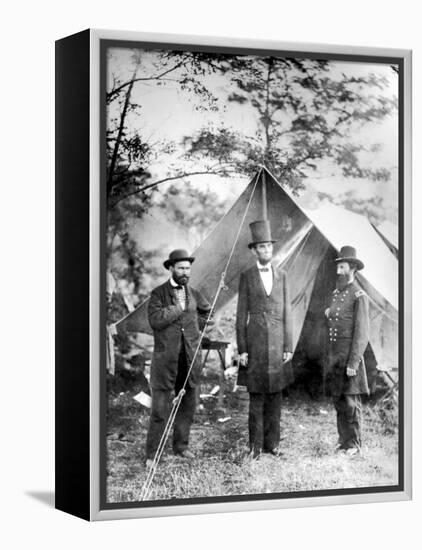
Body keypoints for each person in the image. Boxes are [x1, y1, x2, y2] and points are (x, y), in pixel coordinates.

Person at [145, 249, 212, 467]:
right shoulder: (158, 294)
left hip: (189, 358)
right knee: (160, 409)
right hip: (166, 361)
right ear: (171, 268)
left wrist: (197, 327)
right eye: (181, 268)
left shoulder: (193, 292)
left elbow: (204, 313)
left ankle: (181, 446)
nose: (185, 272)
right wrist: (178, 308)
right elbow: (155, 320)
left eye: (188, 268)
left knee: (188, 404)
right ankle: (153, 454)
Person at [236, 220, 293, 458]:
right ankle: (255, 447)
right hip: (256, 344)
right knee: (257, 398)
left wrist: (288, 346)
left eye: (269, 246)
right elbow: (240, 315)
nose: (266, 251)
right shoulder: (247, 276)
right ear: (254, 250)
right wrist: (242, 349)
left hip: (278, 344)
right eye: (261, 247)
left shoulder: (283, 276)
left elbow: (288, 312)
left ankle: (273, 444)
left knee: (276, 399)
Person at [325, 245, 370, 457]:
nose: (338, 271)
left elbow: (362, 333)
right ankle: (343, 441)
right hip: (335, 358)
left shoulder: (359, 295)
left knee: (351, 403)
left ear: (352, 268)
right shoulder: (336, 294)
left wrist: (354, 363)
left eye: (342, 267)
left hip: (349, 359)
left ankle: (354, 444)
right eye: (337, 267)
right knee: (338, 400)